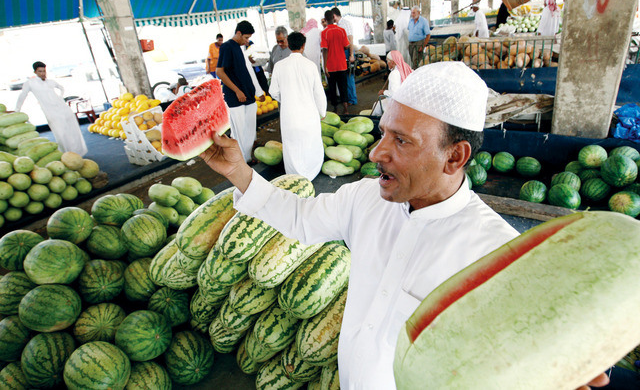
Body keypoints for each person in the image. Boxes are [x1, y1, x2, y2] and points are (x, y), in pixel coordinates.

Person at [198, 61, 612, 389]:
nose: (377, 152)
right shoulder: (364, 198)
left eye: (402, 141)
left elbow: (532, 353)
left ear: (455, 156)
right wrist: (239, 173)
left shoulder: (499, 256)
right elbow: (299, 218)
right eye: (383, 134)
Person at [269, 32, 327, 181]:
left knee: (292, 145)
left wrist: (287, 99)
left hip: (289, 116)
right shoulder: (310, 65)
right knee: (311, 142)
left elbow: (273, 91)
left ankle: (295, 176)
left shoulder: (279, 66)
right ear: (303, 46)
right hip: (309, 114)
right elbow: (318, 92)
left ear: (288, 44)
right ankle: (311, 173)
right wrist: (322, 110)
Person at [216, 20, 265, 162]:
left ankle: (249, 157)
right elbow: (220, 72)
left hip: (248, 96)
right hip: (235, 98)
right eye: (246, 37)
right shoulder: (227, 47)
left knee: (250, 130)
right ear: (238, 33)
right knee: (240, 132)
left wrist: (257, 92)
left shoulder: (240, 48)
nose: (247, 41)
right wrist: (237, 91)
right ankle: (242, 161)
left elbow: (246, 70)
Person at [15, 61, 88, 156]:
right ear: (35, 72)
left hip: (63, 109)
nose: (42, 73)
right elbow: (22, 95)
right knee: (61, 133)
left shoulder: (51, 82)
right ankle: (66, 154)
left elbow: (61, 88)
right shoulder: (30, 83)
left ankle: (78, 153)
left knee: (72, 130)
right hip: (50, 111)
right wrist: (17, 110)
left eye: (44, 71)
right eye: (40, 71)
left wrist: (61, 97)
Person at [321, 10, 350, 115]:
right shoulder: (342, 30)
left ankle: (336, 109)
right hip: (342, 64)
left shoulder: (324, 32)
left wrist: (325, 66)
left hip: (331, 66)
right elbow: (347, 45)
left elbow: (325, 49)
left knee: (332, 88)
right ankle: (346, 109)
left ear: (325, 19)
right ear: (333, 18)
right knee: (343, 87)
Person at [332, 7, 358, 107]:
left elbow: (350, 40)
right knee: (345, 77)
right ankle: (348, 98)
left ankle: (352, 99)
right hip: (344, 52)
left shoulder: (345, 24)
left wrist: (351, 54)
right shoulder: (338, 25)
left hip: (347, 52)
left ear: (334, 15)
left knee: (349, 76)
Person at [374, 50, 412, 116]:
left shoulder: (394, 74)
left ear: (393, 62)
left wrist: (384, 92)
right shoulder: (407, 68)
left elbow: (394, 93)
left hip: (397, 104)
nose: (387, 63)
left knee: (376, 105)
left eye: (388, 61)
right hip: (407, 102)